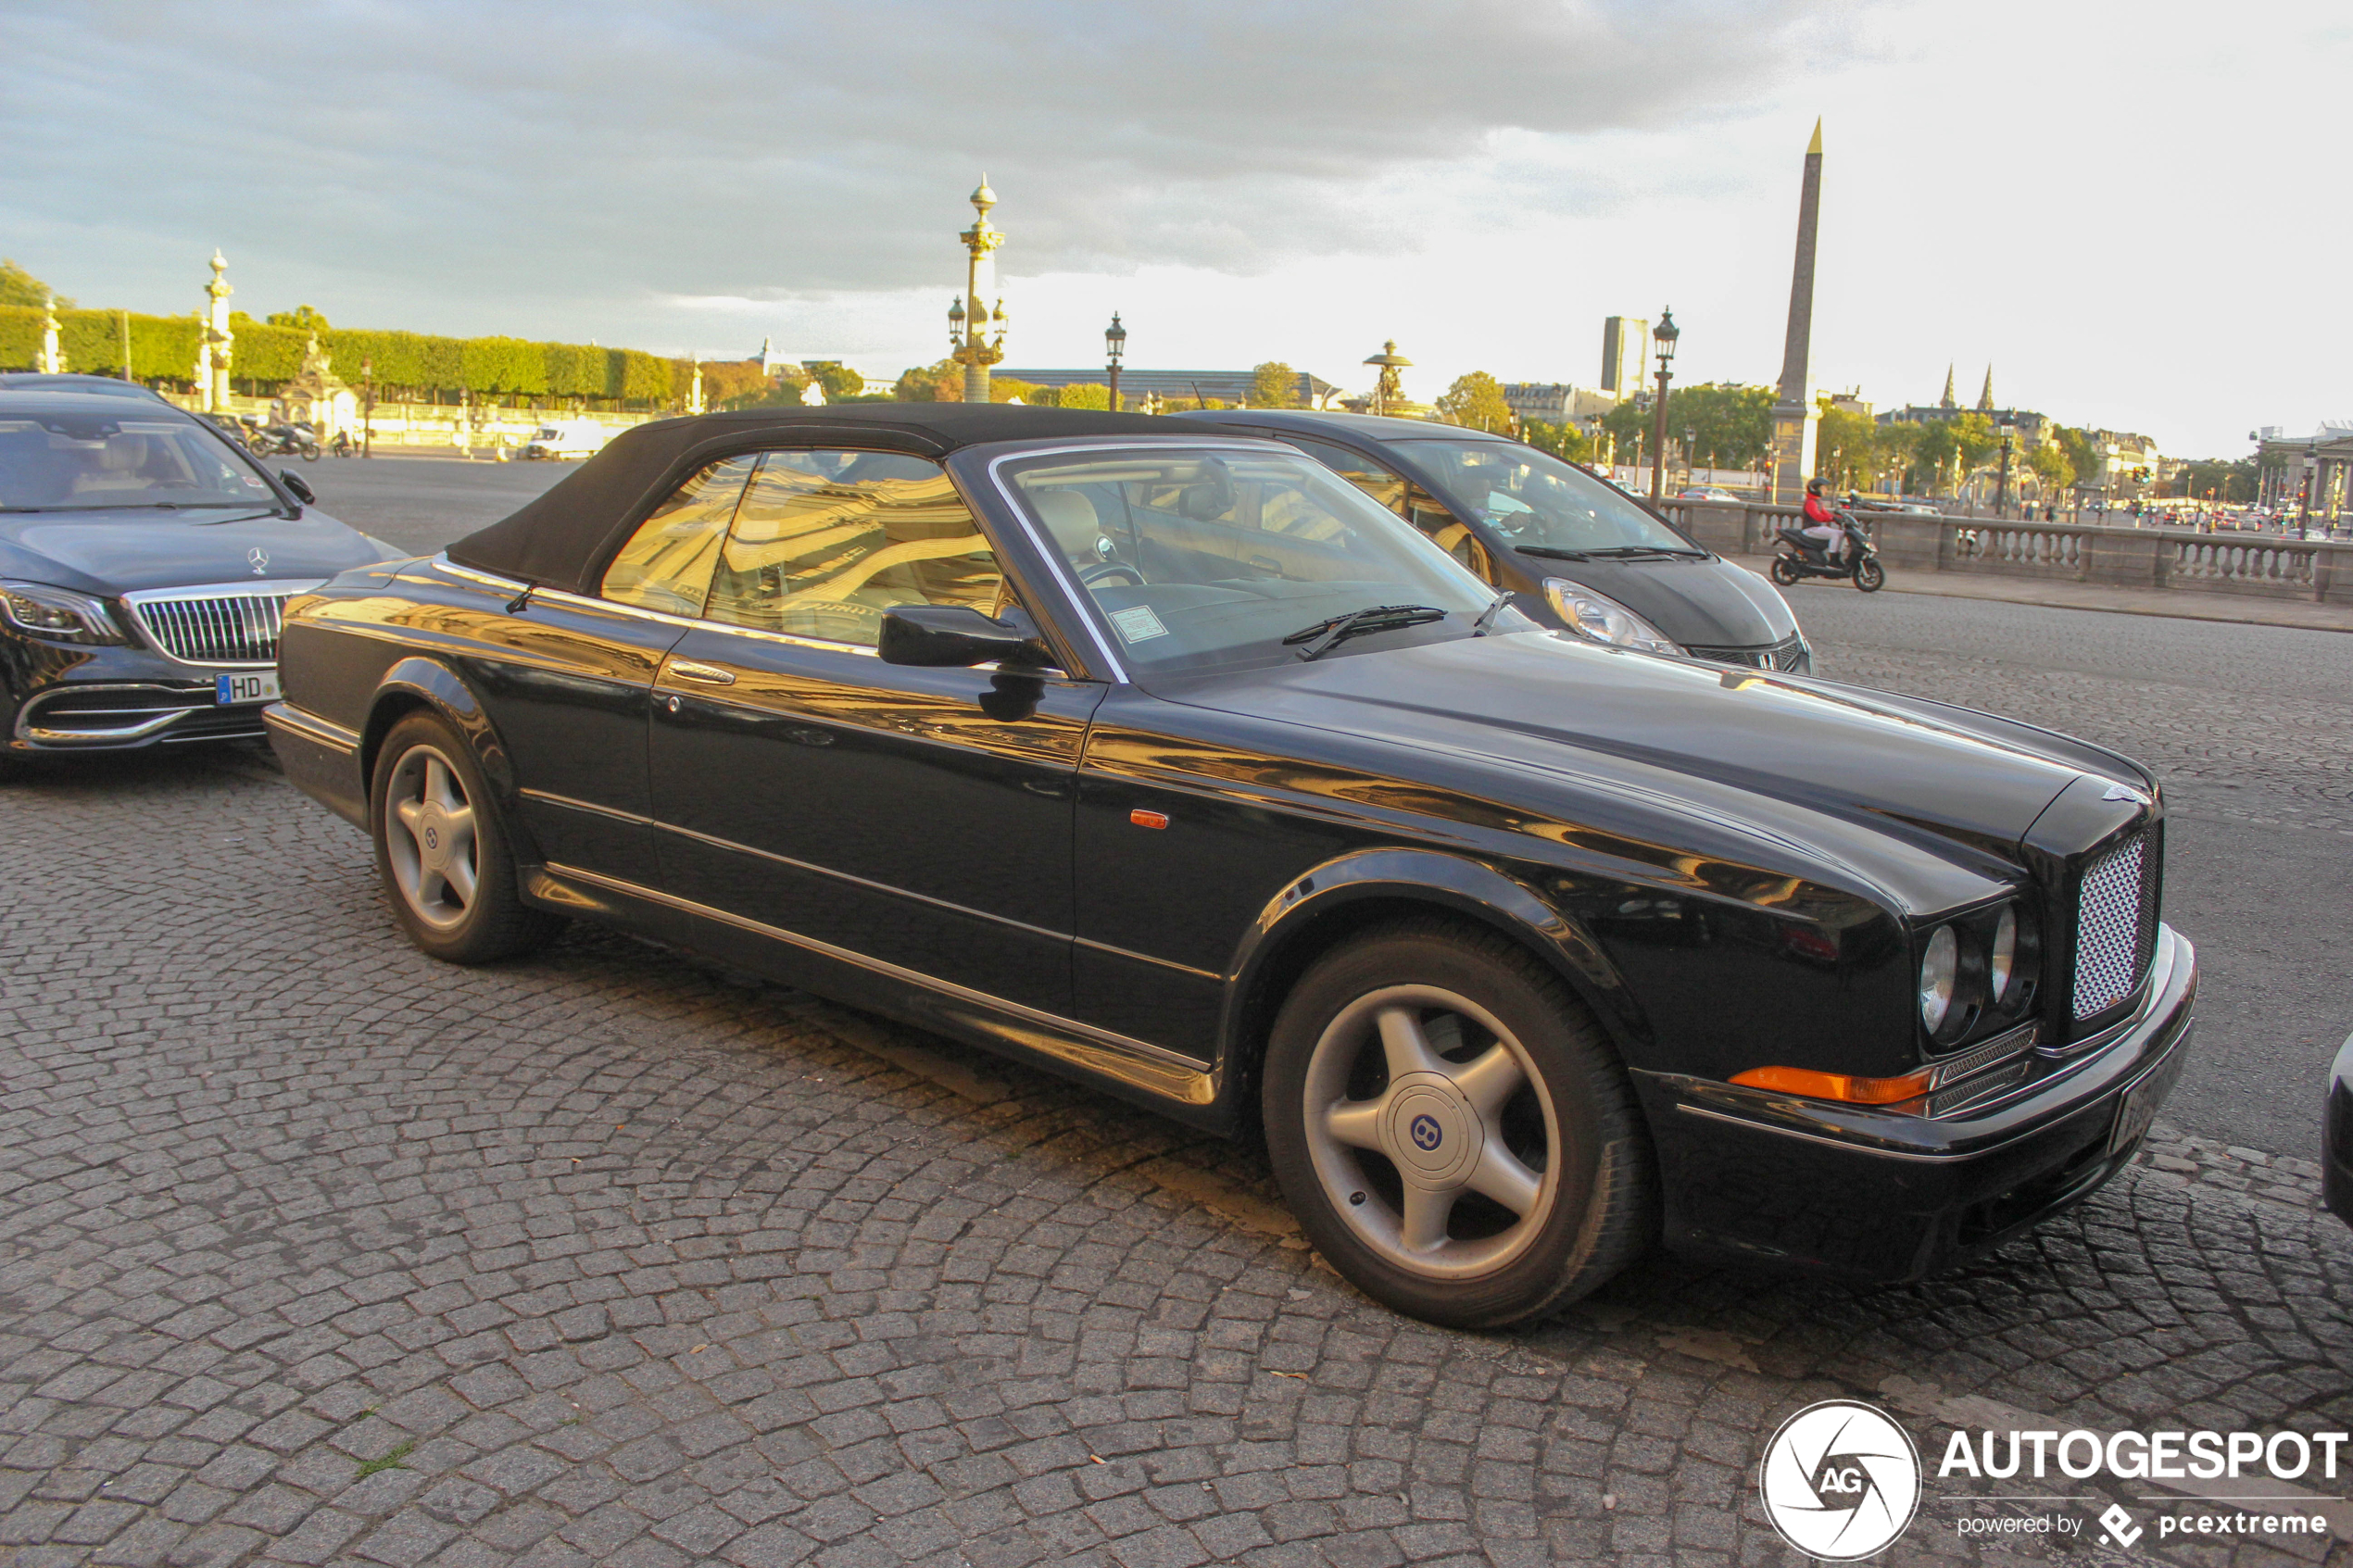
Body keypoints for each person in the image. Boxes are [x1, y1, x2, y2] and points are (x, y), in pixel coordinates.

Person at [1800, 478, 1846, 565]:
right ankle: (1833, 559)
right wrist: (1832, 518)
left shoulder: (1818, 501)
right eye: (1823, 488)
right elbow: (1817, 516)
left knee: (1842, 534)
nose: (1826, 490)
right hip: (1810, 529)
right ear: (1815, 489)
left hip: (1817, 528)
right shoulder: (1811, 502)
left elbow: (1826, 513)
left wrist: (1839, 517)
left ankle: (1838, 555)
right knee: (1835, 534)